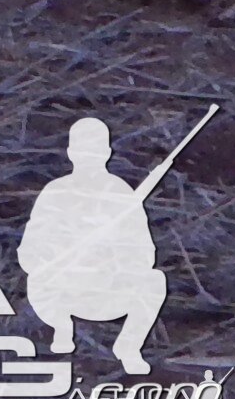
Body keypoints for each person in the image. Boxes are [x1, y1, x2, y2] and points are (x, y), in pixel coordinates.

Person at [17, 115, 169, 375]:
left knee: (154, 281)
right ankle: (62, 327)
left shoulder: (120, 194)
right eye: (83, 151)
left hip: (106, 289)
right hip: (62, 290)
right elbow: (29, 250)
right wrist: (60, 255)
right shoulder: (56, 192)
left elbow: (144, 252)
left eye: (95, 151)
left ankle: (129, 346)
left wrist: (111, 256)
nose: (89, 157)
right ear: (71, 153)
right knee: (37, 280)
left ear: (107, 153)